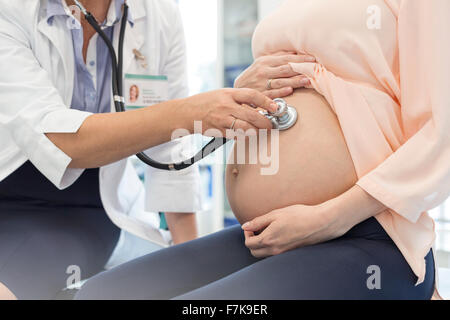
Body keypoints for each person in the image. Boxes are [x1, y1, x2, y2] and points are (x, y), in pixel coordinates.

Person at [75, 0, 448, 300]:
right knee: (98, 293)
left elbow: (441, 132)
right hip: (268, 237)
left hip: (367, 234)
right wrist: (246, 88)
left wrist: (329, 217)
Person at [0, 0, 280, 300]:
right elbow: (58, 138)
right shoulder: (12, 10)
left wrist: (191, 262)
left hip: (95, 211)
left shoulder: (160, 14)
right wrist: (188, 112)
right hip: (12, 200)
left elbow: (173, 149)